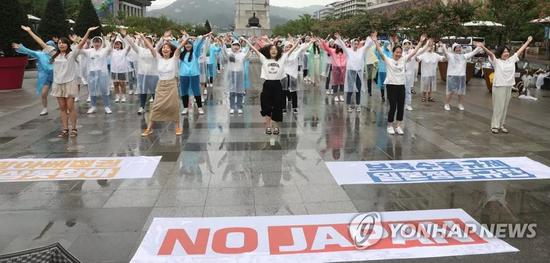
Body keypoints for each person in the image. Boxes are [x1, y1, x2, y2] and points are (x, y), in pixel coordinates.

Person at [22, 25, 98, 137]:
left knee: (70, 107)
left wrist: (88, 31)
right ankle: (65, 129)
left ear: (67, 45)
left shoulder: (72, 54)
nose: (61, 44)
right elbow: (41, 43)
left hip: (70, 83)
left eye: (64, 43)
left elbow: (81, 44)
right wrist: (30, 31)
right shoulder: (54, 54)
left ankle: (74, 129)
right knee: (62, 108)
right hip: (58, 84)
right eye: (59, 43)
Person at [241, 36, 300, 135]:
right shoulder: (264, 59)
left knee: (277, 106)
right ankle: (268, 126)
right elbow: (255, 50)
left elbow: (292, 49)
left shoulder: (282, 58)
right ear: (268, 51)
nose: (273, 51)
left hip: (277, 84)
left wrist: (297, 41)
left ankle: (275, 126)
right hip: (267, 84)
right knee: (267, 106)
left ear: (278, 52)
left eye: (275, 50)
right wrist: (248, 42)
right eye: (271, 49)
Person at [373, 33, 428, 135]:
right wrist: (376, 41)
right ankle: (389, 125)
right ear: (393, 52)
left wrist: (420, 42)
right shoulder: (388, 60)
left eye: (400, 52)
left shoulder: (403, 59)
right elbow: (380, 52)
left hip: (401, 86)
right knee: (393, 106)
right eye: (397, 52)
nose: (398, 54)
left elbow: (414, 52)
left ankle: (398, 125)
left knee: (401, 106)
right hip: (391, 85)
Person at [478, 37, 533, 134]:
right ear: (500, 53)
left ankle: (502, 124)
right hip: (499, 86)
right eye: (504, 52)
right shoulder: (496, 61)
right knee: (498, 107)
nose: (506, 53)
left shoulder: (511, 60)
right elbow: (490, 54)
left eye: (507, 51)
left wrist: (528, 41)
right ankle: (495, 125)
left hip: (508, 86)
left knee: (505, 107)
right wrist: (483, 47)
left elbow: (520, 50)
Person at [139, 33, 185, 137]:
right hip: (161, 85)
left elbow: (179, 48)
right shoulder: (158, 58)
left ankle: (177, 126)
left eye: (167, 48)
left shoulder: (174, 58)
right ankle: (149, 128)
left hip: (171, 84)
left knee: (174, 106)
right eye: (163, 48)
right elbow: (151, 48)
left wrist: (186, 38)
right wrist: (142, 37)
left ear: (171, 50)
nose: (165, 49)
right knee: (156, 106)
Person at [334, 33, 375, 112]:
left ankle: (358, 105)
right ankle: (349, 106)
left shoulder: (361, 50)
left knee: (358, 90)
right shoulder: (348, 51)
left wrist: (371, 38)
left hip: (358, 73)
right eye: (354, 44)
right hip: (351, 73)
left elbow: (367, 45)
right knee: (350, 90)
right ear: (352, 44)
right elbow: (342, 45)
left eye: (357, 44)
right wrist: (339, 38)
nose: (356, 45)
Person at [12, 40, 54, 116]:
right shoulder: (40, 54)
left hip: (58, 76)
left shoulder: (57, 54)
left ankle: (66, 107)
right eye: (46, 45)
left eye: (49, 46)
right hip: (47, 77)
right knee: (43, 93)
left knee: (61, 94)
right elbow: (30, 52)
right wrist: (20, 48)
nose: (46, 47)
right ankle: (45, 108)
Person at [442, 42, 482, 111]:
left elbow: (473, 52)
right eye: (456, 48)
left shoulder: (464, 56)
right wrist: (444, 46)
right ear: (454, 49)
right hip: (452, 76)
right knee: (450, 91)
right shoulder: (450, 55)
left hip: (461, 76)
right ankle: (447, 104)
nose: (458, 49)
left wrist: (479, 46)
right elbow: (445, 53)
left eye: (459, 48)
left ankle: (460, 104)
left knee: (461, 92)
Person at [126, 33, 158, 115]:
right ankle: (142, 107)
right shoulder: (140, 49)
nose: (146, 42)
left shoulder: (155, 49)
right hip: (142, 74)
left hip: (153, 74)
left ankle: (157, 107)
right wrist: (125, 35)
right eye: (146, 41)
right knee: (143, 91)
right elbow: (132, 44)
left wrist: (164, 38)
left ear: (152, 42)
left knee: (154, 92)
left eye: (149, 41)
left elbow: (160, 43)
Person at [179, 31, 210, 115]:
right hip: (183, 75)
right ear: (184, 45)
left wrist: (203, 38)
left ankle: (199, 107)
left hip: (194, 75)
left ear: (192, 45)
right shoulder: (181, 53)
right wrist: (185, 38)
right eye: (186, 44)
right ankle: (185, 108)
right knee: (184, 91)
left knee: (196, 90)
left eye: (189, 44)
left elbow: (199, 45)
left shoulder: (195, 53)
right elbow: (178, 47)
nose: (188, 45)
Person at [80, 34, 113, 114]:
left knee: (104, 90)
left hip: (102, 73)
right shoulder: (89, 51)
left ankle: (107, 106)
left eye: (98, 42)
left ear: (101, 43)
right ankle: (93, 106)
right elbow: (79, 49)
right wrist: (83, 42)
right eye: (95, 42)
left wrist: (112, 41)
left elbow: (110, 48)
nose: (96, 44)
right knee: (92, 90)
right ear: (92, 43)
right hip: (91, 73)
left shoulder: (104, 50)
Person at [219, 37, 250, 115]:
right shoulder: (230, 54)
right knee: (232, 91)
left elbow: (247, 54)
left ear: (239, 47)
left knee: (240, 91)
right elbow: (224, 52)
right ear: (231, 46)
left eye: (237, 45)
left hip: (240, 74)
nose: (236, 47)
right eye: (234, 45)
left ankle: (239, 107)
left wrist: (248, 43)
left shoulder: (242, 54)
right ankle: (232, 107)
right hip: (231, 73)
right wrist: (223, 43)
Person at [282, 38, 311, 114]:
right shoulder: (282, 55)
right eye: (286, 47)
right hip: (284, 75)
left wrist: (310, 41)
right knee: (284, 91)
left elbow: (302, 47)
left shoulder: (295, 53)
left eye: (289, 47)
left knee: (293, 91)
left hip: (292, 75)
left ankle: (295, 107)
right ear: (284, 48)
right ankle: (283, 108)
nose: (287, 48)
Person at [320, 37, 347, 104]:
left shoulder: (345, 52)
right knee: (335, 83)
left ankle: (341, 95)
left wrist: (340, 39)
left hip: (343, 69)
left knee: (342, 83)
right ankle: (335, 96)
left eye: (341, 45)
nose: (340, 46)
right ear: (336, 45)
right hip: (335, 68)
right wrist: (323, 41)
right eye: (338, 45)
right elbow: (326, 48)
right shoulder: (333, 51)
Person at [110, 34, 131, 103]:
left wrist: (123, 38)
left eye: (118, 44)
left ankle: (123, 96)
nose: (117, 45)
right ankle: (117, 96)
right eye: (116, 44)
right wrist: (112, 41)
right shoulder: (112, 51)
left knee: (122, 84)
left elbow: (129, 46)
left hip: (122, 70)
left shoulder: (124, 51)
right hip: (114, 70)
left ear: (121, 45)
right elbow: (109, 46)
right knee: (115, 84)